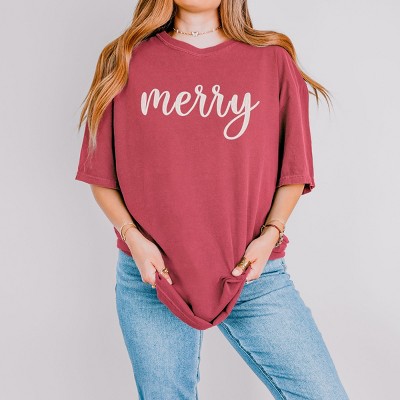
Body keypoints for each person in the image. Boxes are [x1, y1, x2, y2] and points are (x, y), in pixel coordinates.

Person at [74, 0, 349, 398]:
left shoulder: (272, 59)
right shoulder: (124, 58)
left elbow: (294, 169)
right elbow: (101, 175)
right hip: (153, 276)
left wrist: (270, 235)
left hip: (252, 272)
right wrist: (134, 239)